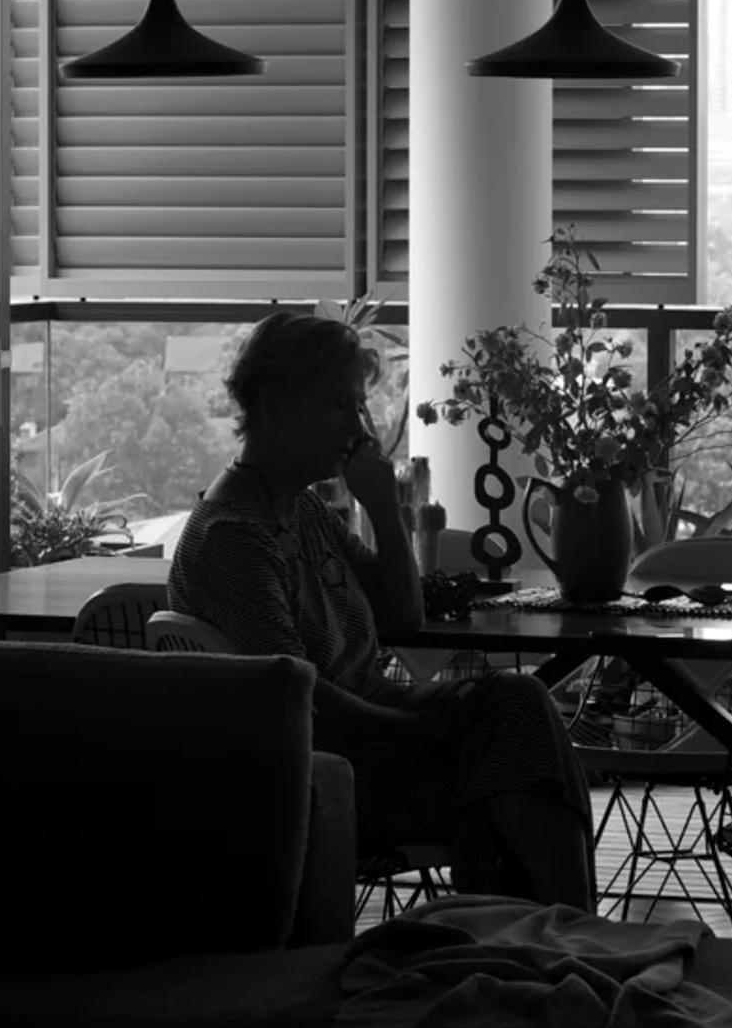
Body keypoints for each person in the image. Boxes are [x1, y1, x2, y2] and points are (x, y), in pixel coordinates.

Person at [169, 311, 596, 910]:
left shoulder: (305, 513)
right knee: (513, 745)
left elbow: (403, 617)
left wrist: (383, 505)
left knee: (517, 709)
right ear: (274, 404)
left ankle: (554, 936)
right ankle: (568, 935)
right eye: (341, 406)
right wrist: (424, 729)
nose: (358, 428)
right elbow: (296, 698)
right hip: (325, 772)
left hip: (373, 737)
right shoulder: (234, 538)